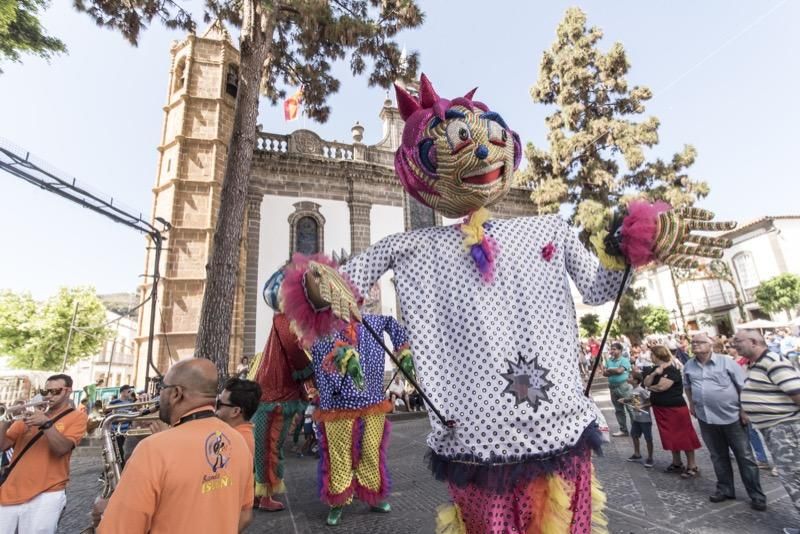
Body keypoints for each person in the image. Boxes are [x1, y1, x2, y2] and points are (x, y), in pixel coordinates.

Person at [281, 74, 734, 533]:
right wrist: (317, 286)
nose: (481, 152)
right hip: (475, 436)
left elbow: (598, 290)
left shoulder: (550, 230)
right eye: (459, 140)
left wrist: (632, 245)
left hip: (559, 424)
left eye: (493, 137)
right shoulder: (407, 248)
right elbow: (331, 290)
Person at [93, 359, 254, 533]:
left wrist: (106, 512)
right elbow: (245, 516)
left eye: (162, 388)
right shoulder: (238, 441)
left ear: (176, 393)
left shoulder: (153, 449)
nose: (159, 395)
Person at [304, 309, 415, 526]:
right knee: (338, 453)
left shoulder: (372, 321)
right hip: (337, 403)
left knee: (370, 449)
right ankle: (338, 501)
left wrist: (403, 352)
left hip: (371, 400)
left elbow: (392, 325)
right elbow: (312, 348)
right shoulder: (323, 325)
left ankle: (372, 495)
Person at [251, 267, 315, 511]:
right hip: (276, 396)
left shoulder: (283, 320)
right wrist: (315, 375)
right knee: (270, 446)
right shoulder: (284, 320)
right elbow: (296, 354)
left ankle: (258, 493)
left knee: (266, 445)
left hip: (274, 393)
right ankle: (265, 495)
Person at [683, 333, 766, 510]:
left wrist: (744, 411)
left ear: (710, 344)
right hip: (707, 418)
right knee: (717, 456)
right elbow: (688, 386)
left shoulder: (726, 362)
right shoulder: (689, 365)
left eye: (699, 342)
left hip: (732, 417)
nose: (695, 345)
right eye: (693, 342)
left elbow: (743, 386)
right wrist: (691, 403)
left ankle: (756, 495)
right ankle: (725, 489)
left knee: (744, 457)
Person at [0, 374, 87, 534]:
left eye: (55, 391)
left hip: (47, 492)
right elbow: (3, 445)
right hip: (11, 490)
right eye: (45, 391)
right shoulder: (29, 414)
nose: (48, 396)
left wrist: (46, 424)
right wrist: (6, 419)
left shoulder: (77, 417)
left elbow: (62, 449)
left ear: (68, 391)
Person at [733, 330, 800, 534]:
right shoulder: (754, 364)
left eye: (738, 341)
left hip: (786, 430)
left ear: (754, 342)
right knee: (792, 479)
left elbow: (797, 393)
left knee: (795, 478)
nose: (733, 345)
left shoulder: (773, 361)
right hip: (776, 430)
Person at [643, 345, 701, 478]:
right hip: (661, 408)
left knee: (684, 436)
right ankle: (677, 462)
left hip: (675, 409)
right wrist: (654, 374)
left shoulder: (672, 370)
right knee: (670, 436)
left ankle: (692, 465)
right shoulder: (654, 369)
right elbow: (646, 383)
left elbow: (661, 387)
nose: (650, 356)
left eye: (652, 354)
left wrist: (650, 386)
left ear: (658, 355)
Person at [215, 377, 261, 457]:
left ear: (235, 411)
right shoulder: (240, 434)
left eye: (219, 404)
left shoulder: (234, 441)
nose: (215, 407)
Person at [619, 373, 654, 468]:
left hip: (645, 419)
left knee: (648, 438)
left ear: (635, 381)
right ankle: (637, 454)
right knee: (634, 435)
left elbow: (650, 402)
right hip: (637, 418)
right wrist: (625, 400)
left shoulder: (642, 390)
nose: (628, 378)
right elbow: (634, 400)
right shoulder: (633, 390)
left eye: (630, 377)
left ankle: (650, 457)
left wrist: (641, 406)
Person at [603, 342, 632, 437]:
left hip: (623, 386)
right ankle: (623, 430)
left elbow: (620, 371)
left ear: (620, 350)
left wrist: (611, 370)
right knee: (618, 409)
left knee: (630, 408)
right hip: (613, 387)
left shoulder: (624, 360)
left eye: (614, 349)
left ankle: (635, 429)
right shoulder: (609, 360)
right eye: (611, 349)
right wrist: (614, 370)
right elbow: (604, 373)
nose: (612, 351)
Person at [106, 385, 135, 469]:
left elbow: (132, 415)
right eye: (128, 391)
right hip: (115, 430)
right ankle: (120, 466)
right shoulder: (114, 402)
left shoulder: (131, 402)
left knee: (124, 448)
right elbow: (108, 414)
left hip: (125, 430)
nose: (130, 393)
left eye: (130, 391)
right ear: (122, 392)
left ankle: (122, 465)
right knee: (118, 449)